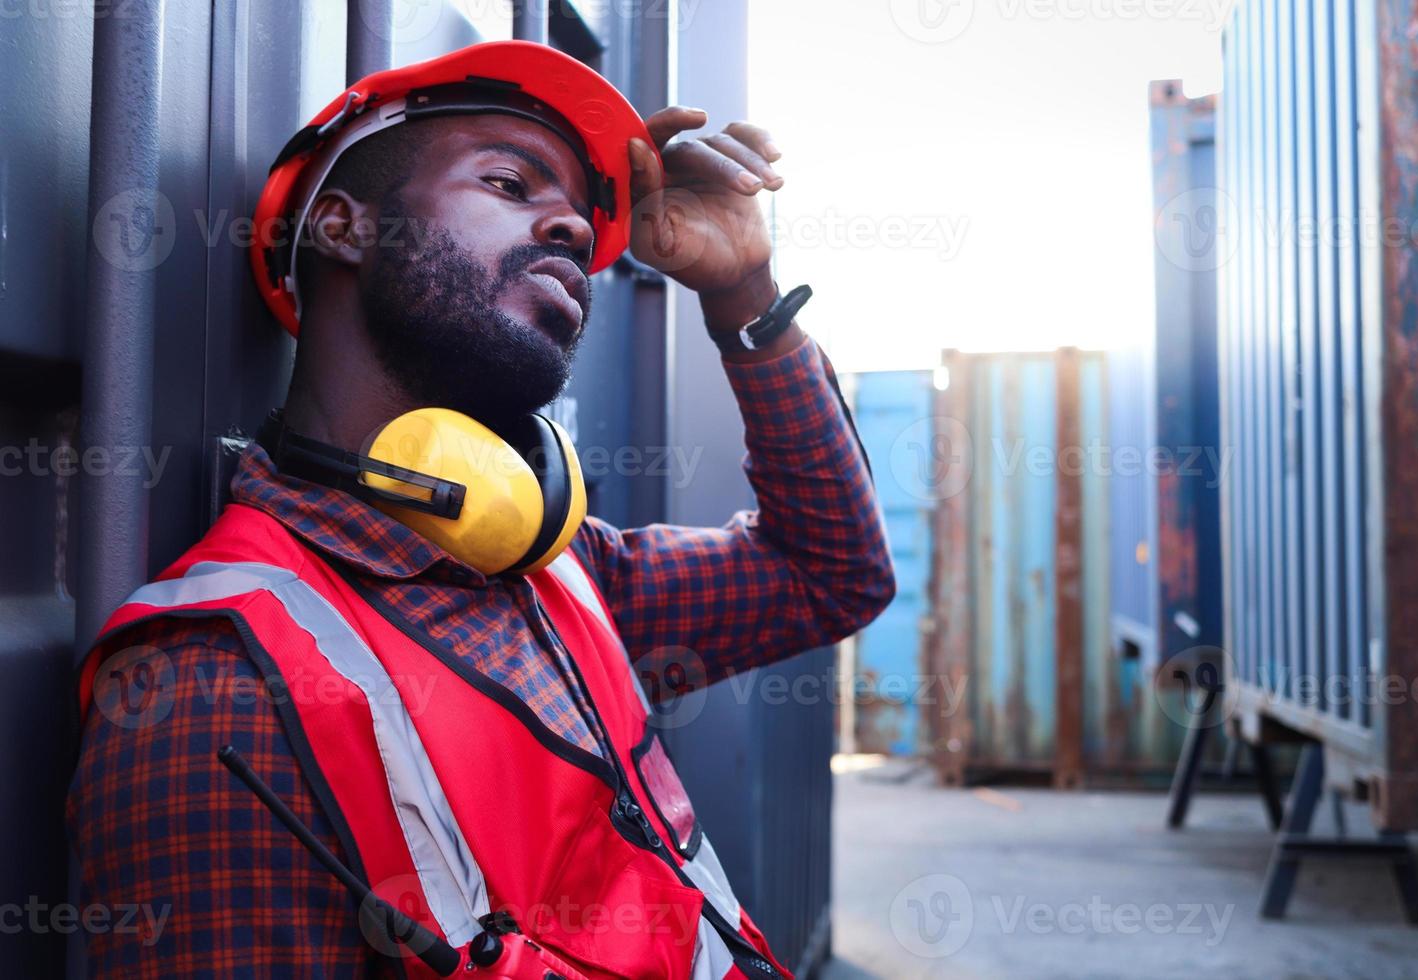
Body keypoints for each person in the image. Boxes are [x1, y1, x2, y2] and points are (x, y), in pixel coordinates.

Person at [68, 40, 894, 979]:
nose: (575, 232)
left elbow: (830, 575)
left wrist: (742, 292)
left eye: (581, 216)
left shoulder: (564, 571)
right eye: (510, 183)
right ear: (343, 226)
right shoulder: (217, 690)